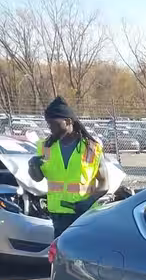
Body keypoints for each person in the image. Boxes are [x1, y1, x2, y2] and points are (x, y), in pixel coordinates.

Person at [27, 96, 108, 238]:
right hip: (59, 216)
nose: (49, 128)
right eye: (48, 124)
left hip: (84, 215)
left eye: (53, 123)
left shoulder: (91, 148)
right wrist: (32, 166)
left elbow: (104, 183)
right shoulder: (46, 146)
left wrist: (88, 202)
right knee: (60, 256)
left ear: (68, 121)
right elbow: (38, 178)